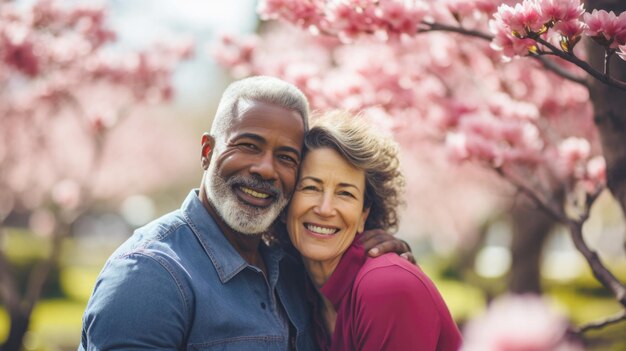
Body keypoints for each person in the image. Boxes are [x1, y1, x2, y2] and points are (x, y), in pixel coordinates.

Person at [79, 76, 413, 350]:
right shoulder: (152, 273)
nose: (266, 169)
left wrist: (375, 255)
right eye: (249, 146)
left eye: (286, 157)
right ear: (208, 151)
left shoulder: (293, 267)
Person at [284, 111, 462, 351]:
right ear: (286, 201)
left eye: (345, 193)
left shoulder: (384, 286)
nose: (325, 209)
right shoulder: (299, 290)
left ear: (363, 215)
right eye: (310, 187)